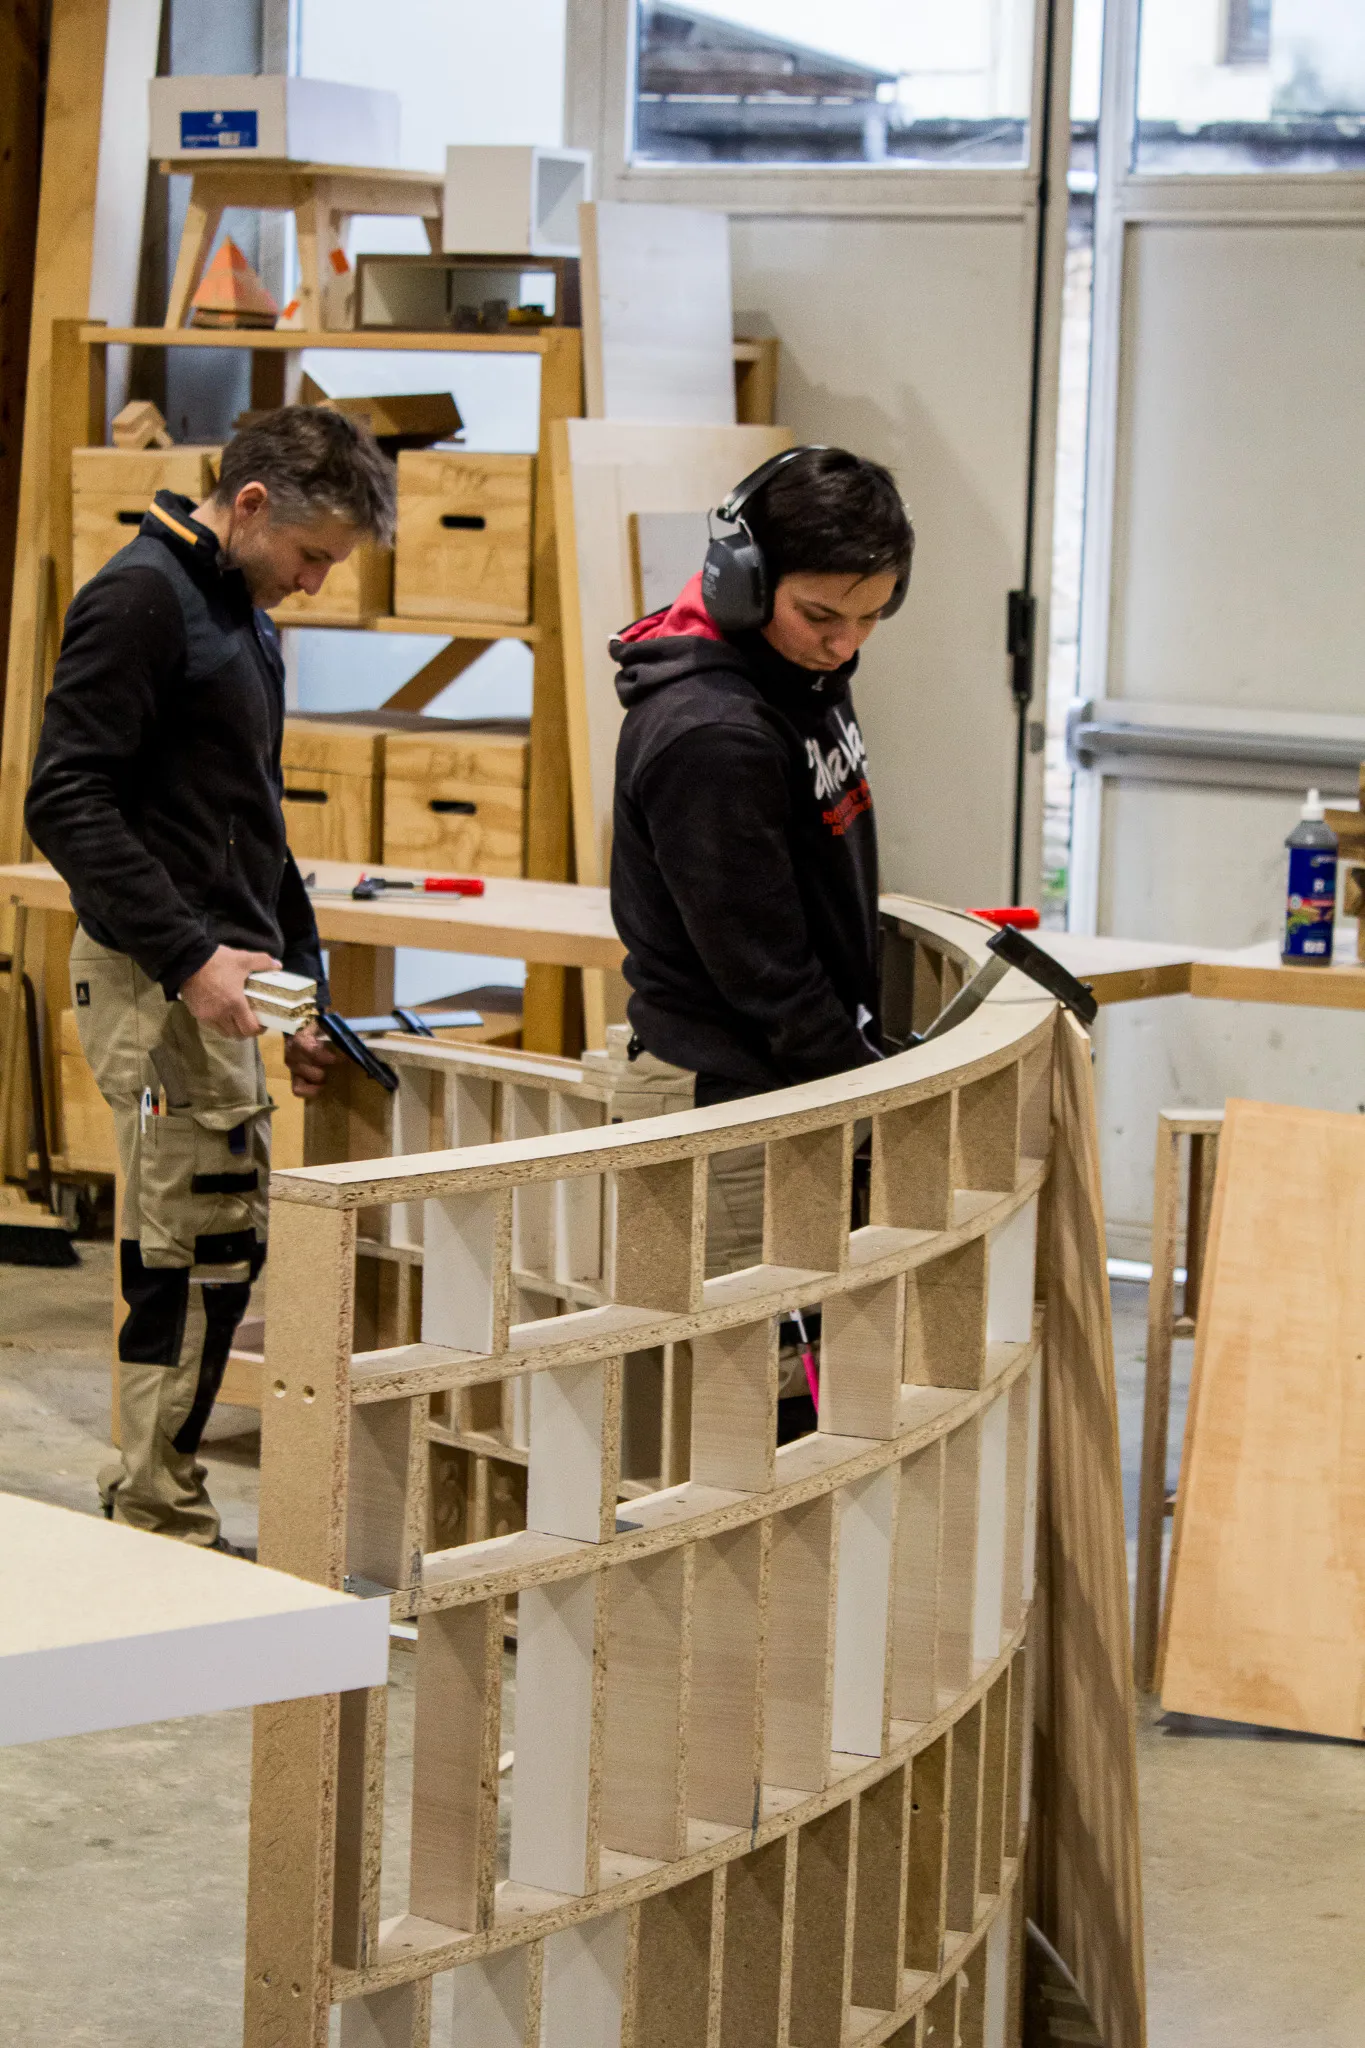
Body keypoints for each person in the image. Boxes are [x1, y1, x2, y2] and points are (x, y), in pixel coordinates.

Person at [25, 405, 397, 1548]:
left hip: (216, 980)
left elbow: (254, 824)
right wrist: (189, 960)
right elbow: (64, 800)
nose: (316, 582)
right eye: (311, 555)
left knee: (221, 1249)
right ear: (250, 505)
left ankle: (159, 1502)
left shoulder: (240, 612)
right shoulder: (141, 599)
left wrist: (306, 989)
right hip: (156, 984)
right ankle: (159, 1517)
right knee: (186, 1257)